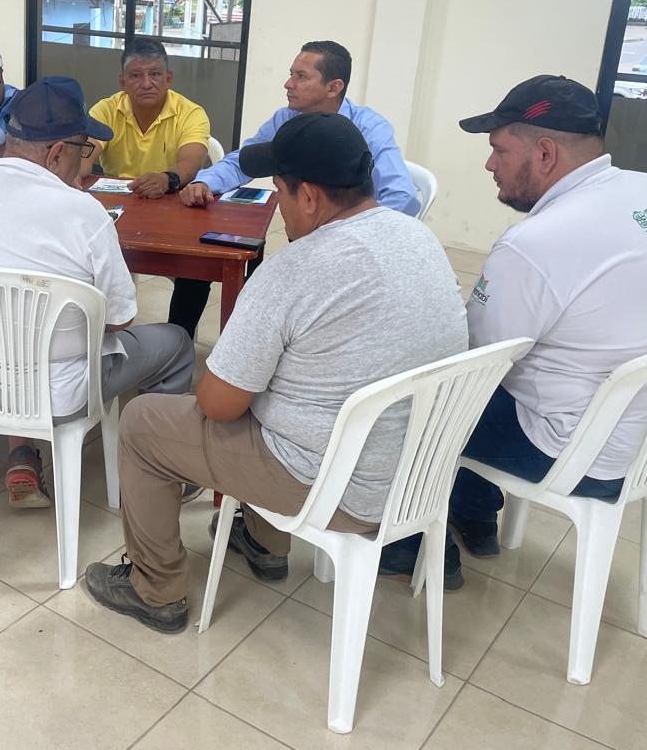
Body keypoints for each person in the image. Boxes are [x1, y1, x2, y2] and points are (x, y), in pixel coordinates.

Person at [83, 112, 467, 632]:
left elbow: (218, 405)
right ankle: (263, 542)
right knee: (278, 398)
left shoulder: (295, 268)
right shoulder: (419, 239)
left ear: (307, 196)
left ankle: (155, 590)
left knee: (145, 421)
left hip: (339, 487)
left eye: (281, 193)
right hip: (418, 475)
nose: (279, 208)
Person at [379, 74, 647, 587]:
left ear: (543, 153)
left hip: (578, 453)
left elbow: (468, 361)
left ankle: (415, 547)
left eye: (498, 149)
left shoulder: (535, 244)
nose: (489, 164)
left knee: (412, 396)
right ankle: (475, 516)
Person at [0, 75, 195, 508]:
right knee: (177, 343)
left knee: (13, 332)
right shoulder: (84, 213)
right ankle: (159, 471)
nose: (84, 164)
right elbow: (120, 319)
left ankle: (22, 454)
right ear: (56, 153)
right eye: (83, 151)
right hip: (63, 391)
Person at [170, 40, 420, 337]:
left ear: (334, 87)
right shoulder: (287, 119)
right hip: (304, 234)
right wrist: (205, 181)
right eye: (291, 74)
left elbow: (401, 195)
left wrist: (346, 238)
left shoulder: (370, 128)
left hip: (355, 248)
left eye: (301, 77)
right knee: (229, 270)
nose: (288, 84)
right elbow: (244, 160)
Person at [81, 39, 211, 199]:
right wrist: (73, 173)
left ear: (168, 79)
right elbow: (82, 157)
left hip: (170, 200)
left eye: (155, 74)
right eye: (136, 75)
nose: (146, 84)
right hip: (114, 201)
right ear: (122, 83)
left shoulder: (191, 114)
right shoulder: (105, 110)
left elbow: (191, 163)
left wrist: (166, 180)